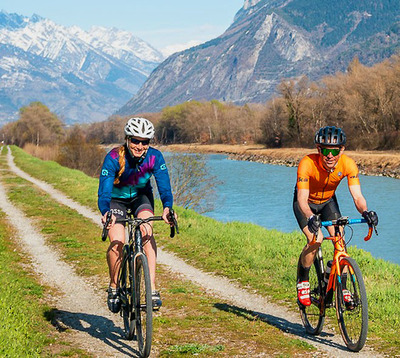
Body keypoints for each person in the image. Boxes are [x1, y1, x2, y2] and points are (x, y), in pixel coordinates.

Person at [293, 126, 378, 306]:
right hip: (306, 204)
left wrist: (365, 212)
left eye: (334, 150)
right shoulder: (307, 163)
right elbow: (301, 199)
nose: (330, 155)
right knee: (316, 239)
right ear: (319, 150)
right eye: (325, 150)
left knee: (340, 241)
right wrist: (310, 216)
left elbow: (357, 196)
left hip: (327, 202)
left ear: (342, 150)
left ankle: (341, 286)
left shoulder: (348, 164)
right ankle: (303, 279)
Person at [98, 117, 175, 313]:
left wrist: (167, 207)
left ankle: (152, 289)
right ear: (127, 139)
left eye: (145, 141)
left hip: (141, 197)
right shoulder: (114, 157)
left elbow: (164, 187)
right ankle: (114, 286)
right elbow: (104, 191)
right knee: (117, 240)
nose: (140, 146)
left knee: (147, 233)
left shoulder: (155, 157)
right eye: (135, 141)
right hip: (116, 200)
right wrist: (106, 212)